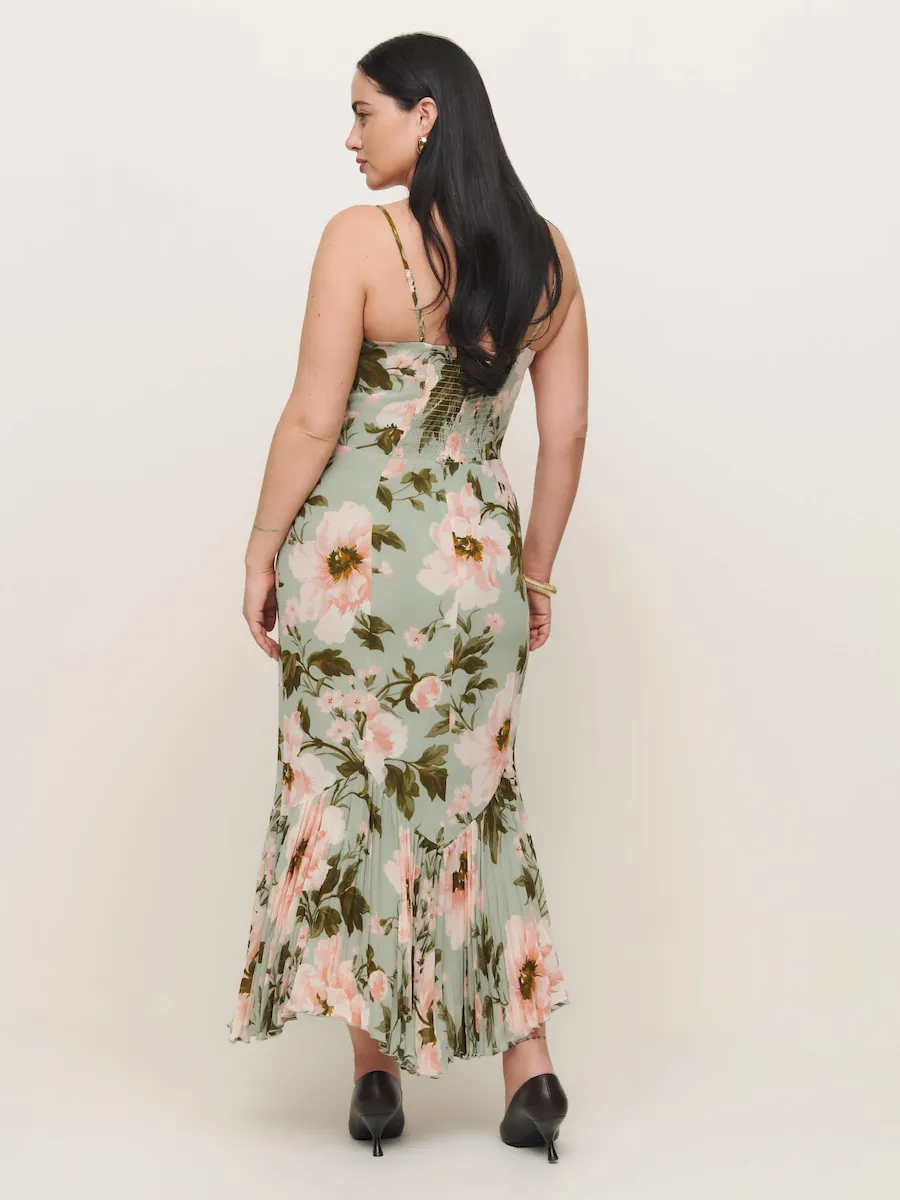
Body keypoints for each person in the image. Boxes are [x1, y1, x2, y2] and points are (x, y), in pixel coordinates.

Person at [227, 32, 589, 1162]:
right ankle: (530, 1071)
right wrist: (535, 572)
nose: (350, 137)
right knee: (479, 806)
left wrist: (259, 551)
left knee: (354, 804)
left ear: (425, 115)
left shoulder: (361, 239)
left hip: (356, 575)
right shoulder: (545, 256)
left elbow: (312, 420)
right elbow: (567, 434)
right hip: (476, 578)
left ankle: (376, 1076)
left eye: (364, 112)